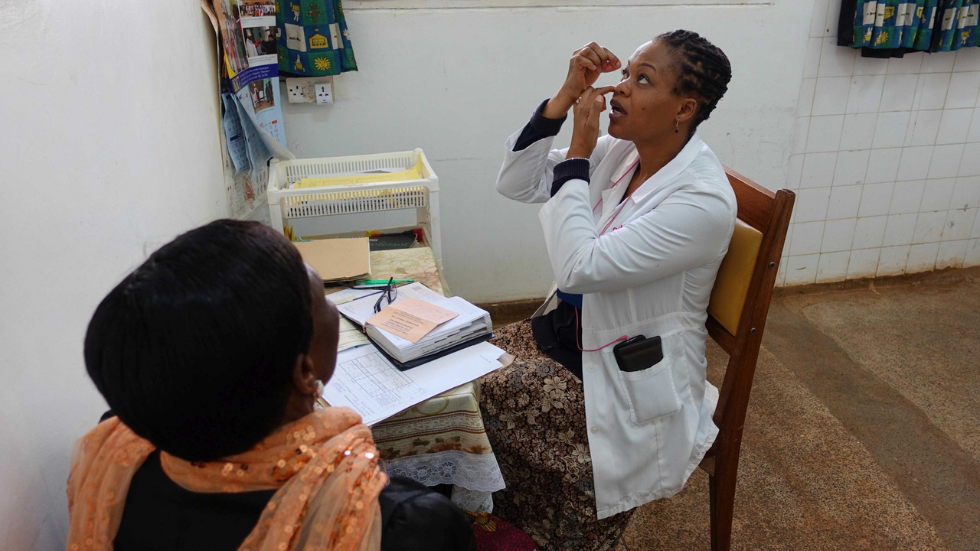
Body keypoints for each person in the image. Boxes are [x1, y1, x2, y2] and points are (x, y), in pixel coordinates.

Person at [67, 220, 476, 551]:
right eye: (323, 299)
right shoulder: (404, 528)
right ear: (304, 372)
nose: (334, 308)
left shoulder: (113, 456)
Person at [481, 30, 735, 550]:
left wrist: (578, 152)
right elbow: (518, 183)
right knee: (459, 370)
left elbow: (579, 268)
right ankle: (493, 521)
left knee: (485, 395)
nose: (619, 88)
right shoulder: (624, 152)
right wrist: (563, 97)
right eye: (625, 74)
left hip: (625, 373)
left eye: (642, 80)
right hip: (568, 332)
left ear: (684, 108)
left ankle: (540, 532)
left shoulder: (701, 201)